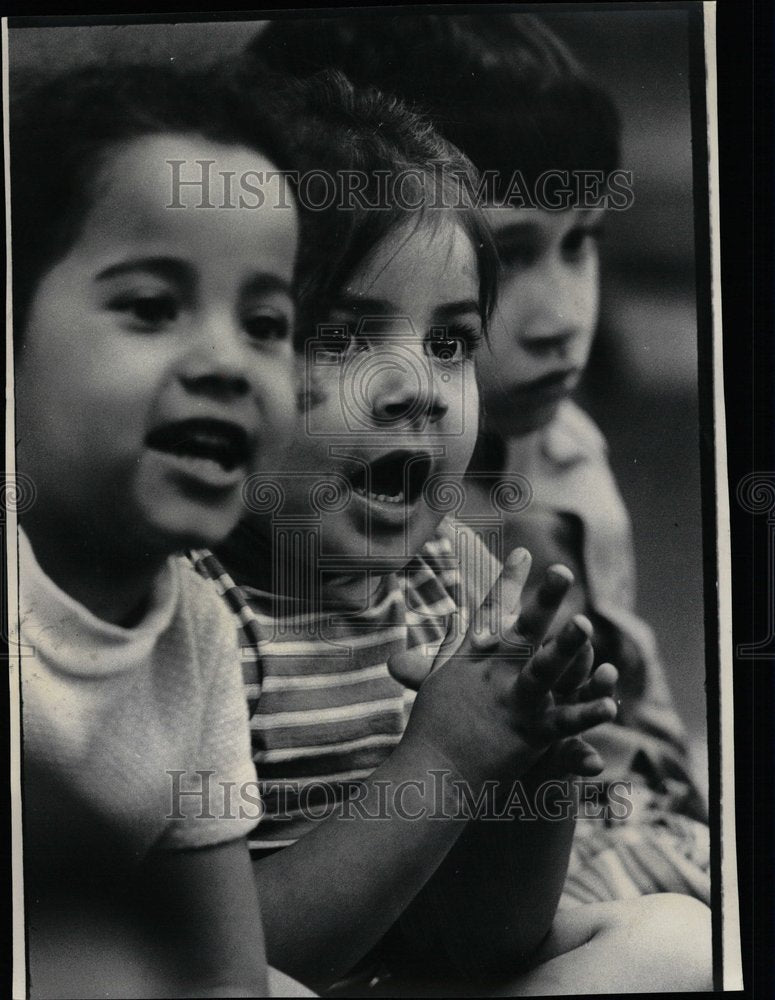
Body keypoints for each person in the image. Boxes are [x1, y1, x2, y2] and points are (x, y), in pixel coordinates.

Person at [193, 72, 711, 995]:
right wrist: (441, 758)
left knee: (679, 941)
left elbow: (484, 946)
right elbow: (235, 963)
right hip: (259, 977)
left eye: (449, 343)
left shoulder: (458, 581)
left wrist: (529, 778)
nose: (420, 387)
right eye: (345, 338)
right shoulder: (195, 612)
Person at [11, 63, 310, 998]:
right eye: (150, 307)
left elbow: (226, 974)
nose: (225, 360)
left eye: (265, 321)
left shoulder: (198, 632)